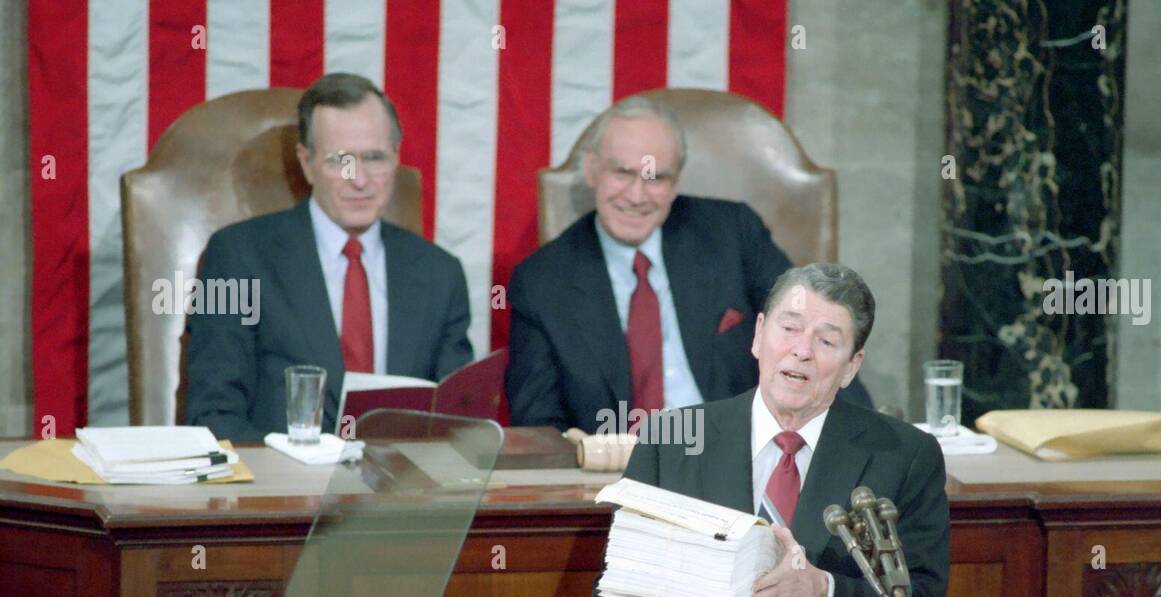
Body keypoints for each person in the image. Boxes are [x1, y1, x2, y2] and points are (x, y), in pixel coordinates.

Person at [591, 263, 948, 597]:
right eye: (789, 328)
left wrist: (818, 592)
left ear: (851, 367)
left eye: (827, 341)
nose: (802, 351)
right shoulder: (671, 439)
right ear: (759, 335)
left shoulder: (905, 456)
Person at [505, 95, 871, 433]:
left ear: (676, 182)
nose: (636, 195)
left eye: (655, 178)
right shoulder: (541, 281)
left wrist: (862, 440)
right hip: (615, 477)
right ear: (592, 170)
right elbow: (539, 426)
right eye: (622, 173)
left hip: (742, 456)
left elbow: (811, 330)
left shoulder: (732, 234)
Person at [186, 73, 473, 441]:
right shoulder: (236, 259)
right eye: (341, 161)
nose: (360, 180)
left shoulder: (441, 274)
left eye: (374, 158)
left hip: (402, 492)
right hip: (284, 490)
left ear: (396, 159)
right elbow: (213, 416)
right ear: (306, 162)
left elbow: (458, 423)